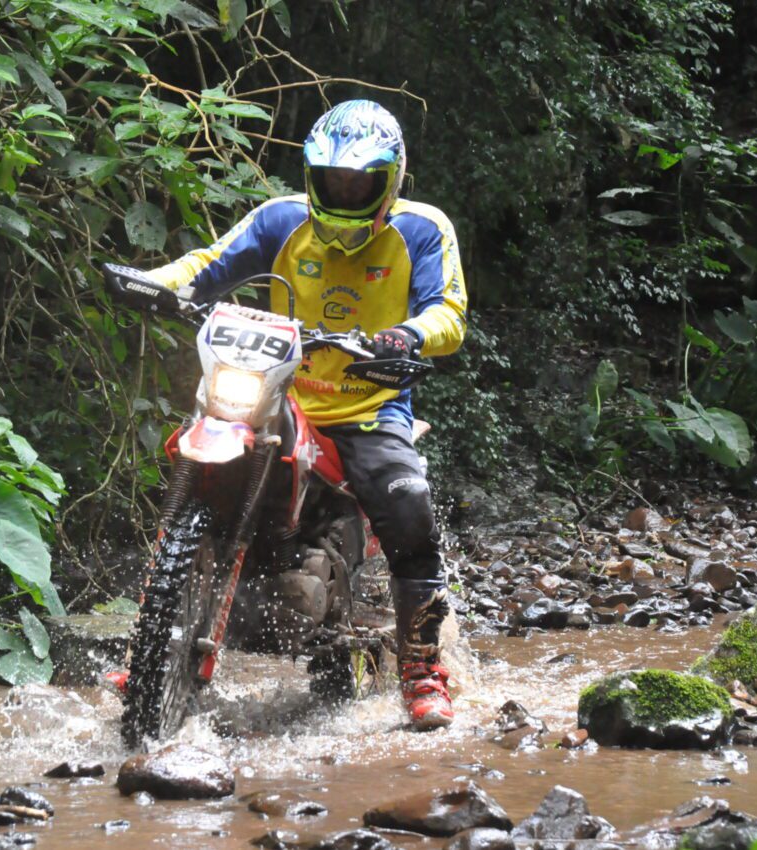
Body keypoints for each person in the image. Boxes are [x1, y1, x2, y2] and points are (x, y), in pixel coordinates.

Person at [144, 99, 467, 730]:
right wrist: (157, 282)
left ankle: (423, 669)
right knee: (187, 461)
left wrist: (407, 336)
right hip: (276, 395)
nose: (345, 190)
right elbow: (209, 264)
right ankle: (150, 648)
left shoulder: (423, 229)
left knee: (407, 502)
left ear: (390, 179)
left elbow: (449, 313)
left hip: (369, 407)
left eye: (359, 181)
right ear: (313, 176)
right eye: (334, 179)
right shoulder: (280, 218)